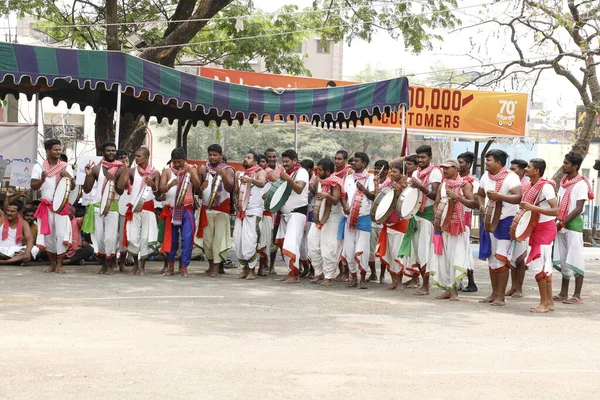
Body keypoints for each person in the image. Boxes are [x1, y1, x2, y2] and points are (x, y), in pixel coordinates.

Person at [477, 149, 522, 306]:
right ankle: (494, 293)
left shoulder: (511, 177)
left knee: (501, 258)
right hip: (490, 221)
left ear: (498, 162)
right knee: (492, 258)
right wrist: (482, 206)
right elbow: (480, 194)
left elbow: (518, 197)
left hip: (505, 221)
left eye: (488, 160)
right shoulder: (485, 176)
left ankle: (501, 296)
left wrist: (500, 197)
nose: (486, 163)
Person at [430, 159, 476, 301]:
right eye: (443, 168)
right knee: (444, 258)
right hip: (443, 226)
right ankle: (448, 289)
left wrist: (458, 198)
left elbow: (473, 203)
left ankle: (455, 290)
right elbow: (436, 203)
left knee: (456, 258)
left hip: (458, 227)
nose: (444, 171)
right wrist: (437, 219)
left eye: (448, 168)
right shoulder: (443, 185)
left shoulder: (465, 184)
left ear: (456, 169)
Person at [553, 152, 593, 305]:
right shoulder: (563, 182)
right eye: (564, 162)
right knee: (564, 259)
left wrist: (562, 223)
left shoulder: (581, 184)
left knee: (575, 259)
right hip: (562, 223)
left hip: (573, 225)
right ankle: (563, 293)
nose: (564, 165)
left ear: (575, 166)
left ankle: (577, 295)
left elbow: (578, 208)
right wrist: (558, 221)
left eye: (567, 163)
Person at [519, 159, 558, 313]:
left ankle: (543, 304)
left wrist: (532, 207)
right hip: (537, 228)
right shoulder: (531, 186)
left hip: (544, 229)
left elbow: (556, 211)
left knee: (539, 266)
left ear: (536, 171)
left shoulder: (546, 187)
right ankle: (549, 302)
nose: (525, 169)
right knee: (545, 266)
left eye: (528, 167)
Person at [82, 141, 126, 275]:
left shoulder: (121, 168)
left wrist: (113, 179)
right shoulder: (97, 168)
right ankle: (103, 263)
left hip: (112, 208)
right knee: (99, 238)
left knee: (110, 238)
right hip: (97, 207)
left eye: (113, 150)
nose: (111, 153)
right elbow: (87, 189)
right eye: (108, 150)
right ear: (102, 153)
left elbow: (120, 191)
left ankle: (109, 264)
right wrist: (88, 175)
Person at [31, 138, 74, 274]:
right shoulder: (39, 167)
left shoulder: (66, 166)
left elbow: (72, 187)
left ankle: (60, 264)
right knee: (48, 236)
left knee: (61, 235)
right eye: (55, 149)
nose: (58, 152)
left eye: (59, 149)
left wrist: (68, 177)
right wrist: (43, 179)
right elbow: (33, 187)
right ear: (48, 151)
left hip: (61, 207)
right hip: (46, 207)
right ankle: (52, 264)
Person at [159, 147, 202, 276]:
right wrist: (170, 185)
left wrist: (190, 172)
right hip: (171, 209)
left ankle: (184, 267)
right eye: (174, 162)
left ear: (184, 160)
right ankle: (171, 266)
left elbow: (197, 185)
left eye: (179, 162)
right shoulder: (167, 171)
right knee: (171, 240)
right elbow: (161, 189)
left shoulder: (191, 169)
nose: (177, 165)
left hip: (187, 209)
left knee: (187, 239)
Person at [119, 147, 161, 276]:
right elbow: (120, 186)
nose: (136, 158)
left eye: (139, 156)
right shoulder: (132, 171)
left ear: (146, 158)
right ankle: (136, 265)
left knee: (145, 238)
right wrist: (125, 169)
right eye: (135, 156)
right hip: (134, 210)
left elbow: (158, 194)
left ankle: (142, 266)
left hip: (148, 209)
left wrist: (153, 185)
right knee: (132, 237)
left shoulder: (155, 173)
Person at [408, 145, 442, 295]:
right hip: (416, 215)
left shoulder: (435, 172)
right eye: (418, 157)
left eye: (423, 157)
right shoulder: (416, 172)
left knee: (425, 251)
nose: (420, 160)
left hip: (428, 216)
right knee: (417, 251)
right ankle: (422, 282)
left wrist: (420, 186)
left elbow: (435, 196)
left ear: (430, 157)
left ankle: (426, 286)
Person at [198, 144, 235, 277]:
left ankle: (216, 267)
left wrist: (223, 175)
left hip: (221, 210)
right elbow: (197, 190)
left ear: (220, 156)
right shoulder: (203, 169)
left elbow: (230, 188)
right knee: (207, 241)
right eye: (210, 155)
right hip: (206, 210)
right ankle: (210, 265)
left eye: (215, 155)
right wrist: (201, 187)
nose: (212, 157)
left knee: (218, 240)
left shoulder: (228, 170)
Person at [341, 152, 375, 289]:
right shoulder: (348, 178)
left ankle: (362, 278)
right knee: (349, 250)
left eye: (356, 161)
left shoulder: (370, 178)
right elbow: (343, 196)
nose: (353, 163)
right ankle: (353, 277)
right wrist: (345, 206)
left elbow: (374, 197)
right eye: (353, 160)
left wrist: (364, 190)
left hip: (364, 218)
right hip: (349, 218)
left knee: (363, 250)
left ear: (364, 164)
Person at [274, 149, 309, 283]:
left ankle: (295, 275)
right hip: (285, 214)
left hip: (297, 213)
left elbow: (299, 189)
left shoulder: (302, 172)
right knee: (286, 245)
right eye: (283, 162)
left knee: (292, 244)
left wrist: (287, 179)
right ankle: (291, 272)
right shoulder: (287, 173)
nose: (285, 164)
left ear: (295, 160)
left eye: (287, 161)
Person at [307, 158, 344, 286]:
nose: (318, 172)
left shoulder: (335, 183)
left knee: (329, 247)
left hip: (333, 217)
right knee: (312, 244)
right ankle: (319, 272)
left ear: (328, 171)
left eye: (321, 170)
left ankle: (328, 276)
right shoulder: (320, 182)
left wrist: (327, 195)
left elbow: (336, 200)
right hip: (320, 217)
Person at [374, 162, 408, 290]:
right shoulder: (388, 185)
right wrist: (376, 185)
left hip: (400, 224)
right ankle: (393, 280)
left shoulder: (406, 186)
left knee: (396, 253)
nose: (392, 174)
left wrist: (400, 189)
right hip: (387, 224)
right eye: (392, 172)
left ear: (401, 173)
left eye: (395, 172)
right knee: (388, 254)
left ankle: (399, 281)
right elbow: (378, 200)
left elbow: (405, 203)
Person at [233, 151, 266, 280]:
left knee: (250, 241)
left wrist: (250, 179)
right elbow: (236, 191)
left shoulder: (260, 172)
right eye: (245, 157)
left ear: (255, 161)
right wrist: (236, 201)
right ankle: (244, 269)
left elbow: (262, 183)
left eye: (249, 157)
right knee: (238, 240)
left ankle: (252, 270)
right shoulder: (240, 174)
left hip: (253, 212)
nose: (245, 159)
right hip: (241, 212)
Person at [506, 158, 530, 298]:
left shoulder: (525, 185)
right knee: (512, 257)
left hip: (522, 223)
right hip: (511, 222)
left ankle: (519, 288)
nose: (511, 171)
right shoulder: (511, 182)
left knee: (520, 258)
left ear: (522, 171)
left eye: (514, 169)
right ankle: (513, 286)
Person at [457, 151, 479, 292]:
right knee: (459, 250)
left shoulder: (472, 182)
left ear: (468, 164)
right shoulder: (456, 179)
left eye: (461, 162)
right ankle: (459, 281)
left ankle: (471, 282)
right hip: (454, 217)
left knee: (463, 250)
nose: (458, 165)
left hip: (463, 218)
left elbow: (474, 202)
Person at [398, 154, 421, 288]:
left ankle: (416, 278)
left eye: (410, 164)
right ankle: (413, 277)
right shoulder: (406, 178)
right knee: (411, 249)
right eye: (406, 164)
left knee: (416, 249)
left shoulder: (417, 178)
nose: (407, 166)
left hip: (416, 217)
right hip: (408, 216)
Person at [368, 160, 391, 284]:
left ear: (386, 171)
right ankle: (373, 274)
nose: (377, 170)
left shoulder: (390, 183)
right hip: (372, 220)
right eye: (375, 168)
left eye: (379, 168)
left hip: (384, 221)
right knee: (370, 250)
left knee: (383, 250)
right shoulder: (371, 181)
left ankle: (382, 275)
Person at [333, 150, 353, 282]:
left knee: (346, 244)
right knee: (338, 243)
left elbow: (346, 192)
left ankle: (347, 273)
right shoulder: (334, 174)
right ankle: (341, 271)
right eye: (335, 158)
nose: (336, 161)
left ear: (345, 160)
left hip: (346, 211)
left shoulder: (349, 173)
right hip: (336, 212)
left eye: (339, 159)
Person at [261, 148, 282, 275]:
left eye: (274, 157)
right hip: (266, 210)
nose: (272, 159)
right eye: (270, 157)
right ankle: (264, 265)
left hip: (278, 210)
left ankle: (272, 265)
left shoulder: (280, 169)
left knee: (274, 240)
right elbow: (279, 182)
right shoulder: (265, 171)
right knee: (264, 238)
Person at [0, 201, 35, 265]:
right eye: (8, 211)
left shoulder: (24, 223)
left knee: (35, 249)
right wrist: (8, 197)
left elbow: (30, 239)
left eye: (12, 211)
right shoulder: (2, 219)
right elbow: (4, 207)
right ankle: (14, 261)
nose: (9, 213)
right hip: (1, 250)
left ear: (19, 212)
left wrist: (27, 253)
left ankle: (4, 262)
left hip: (16, 251)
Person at [299, 159, 315, 278]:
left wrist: (312, 188)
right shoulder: (299, 178)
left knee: (310, 243)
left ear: (310, 170)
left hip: (311, 216)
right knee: (301, 243)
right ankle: (305, 267)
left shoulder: (315, 180)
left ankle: (313, 269)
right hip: (301, 214)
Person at [116, 149, 131, 272]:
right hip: (112, 206)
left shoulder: (132, 172)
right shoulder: (113, 171)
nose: (124, 160)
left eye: (125, 158)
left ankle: (122, 263)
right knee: (111, 237)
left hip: (125, 207)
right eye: (121, 158)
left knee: (123, 236)